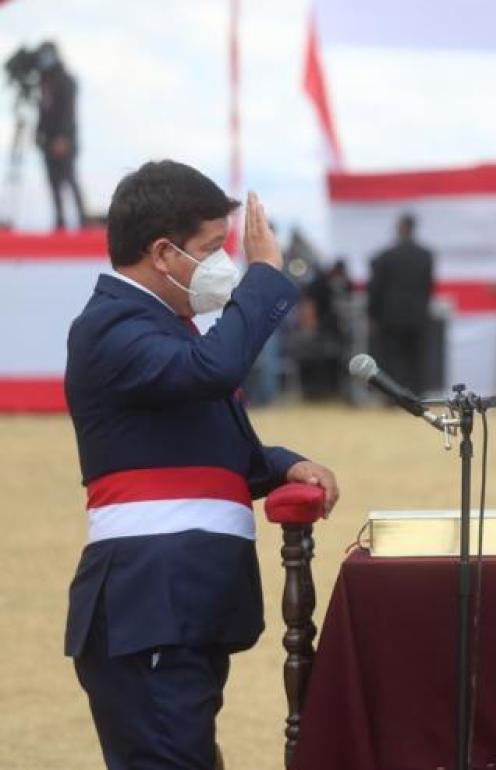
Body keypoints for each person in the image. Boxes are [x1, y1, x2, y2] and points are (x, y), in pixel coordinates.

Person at [63, 160, 340, 769]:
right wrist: (265, 276)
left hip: (181, 604)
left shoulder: (172, 329)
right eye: (213, 249)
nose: (227, 265)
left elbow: (215, 452)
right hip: (150, 604)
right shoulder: (110, 326)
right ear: (163, 253)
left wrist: (283, 466)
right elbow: (213, 372)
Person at [367, 213, 434, 393]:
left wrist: (372, 314)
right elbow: (428, 286)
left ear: (400, 228)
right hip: (417, 316)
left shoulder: (386, 256)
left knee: (392, 358)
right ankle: (417, 395)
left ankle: (393, 396)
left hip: (391, 316)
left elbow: (375, 289)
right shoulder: (426, 256)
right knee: (416, 359)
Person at [34, 41, 86, 230]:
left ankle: (82, 220)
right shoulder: (44, 83)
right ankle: (60, 220)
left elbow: (67, 113)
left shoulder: (66, 80)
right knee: (53, 181)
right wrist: (38, 134)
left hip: (64, 139)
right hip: (47, 140)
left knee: (69, 178)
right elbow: (43, 113)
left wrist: (63, 137)